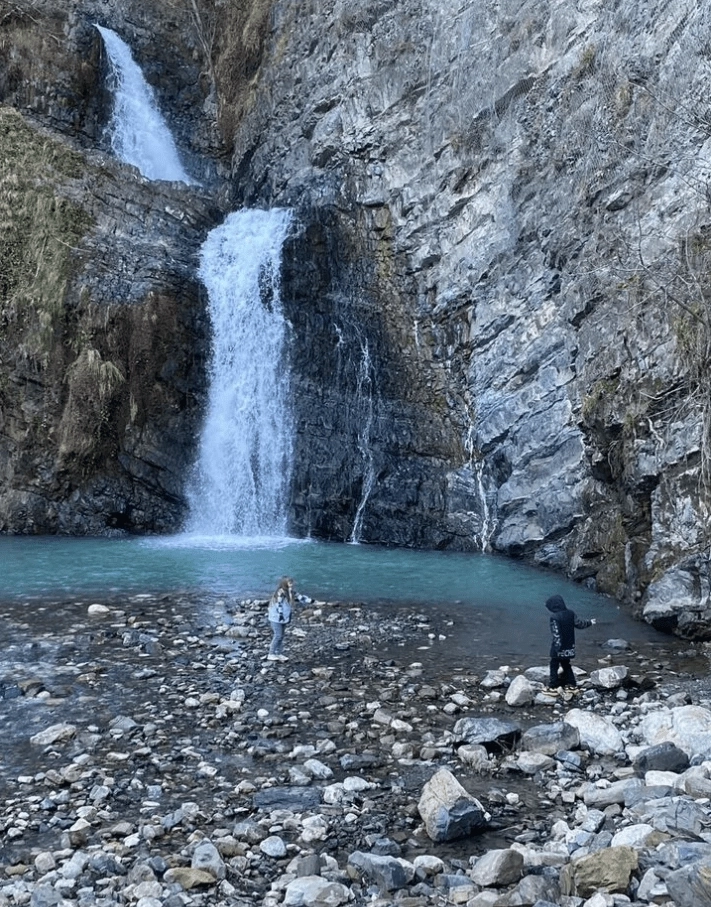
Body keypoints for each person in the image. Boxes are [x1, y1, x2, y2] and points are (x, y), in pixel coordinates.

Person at [546, 594, 596, 689]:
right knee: (566, 664)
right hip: (569, 647)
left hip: (559, 648)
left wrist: (556, 648)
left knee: (554, 665)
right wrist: (590, 622)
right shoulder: (570, 613)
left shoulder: (554, 617)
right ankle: (572, 683)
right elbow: (579, 624)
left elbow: (556, 634)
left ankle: (553, 684)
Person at [266, 576, 295, 662]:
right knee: (278, 635)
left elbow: (300, 597)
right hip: (276, 618)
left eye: (292, 582)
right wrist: (281, 615)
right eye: (290, 583)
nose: (292, 584)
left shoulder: (290, 592)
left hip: (283, 618)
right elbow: (279, 604)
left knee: (281, 636)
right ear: (285, 583)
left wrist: (313, 601)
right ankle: (271, 653)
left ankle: (278, 653)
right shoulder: (280, 592)